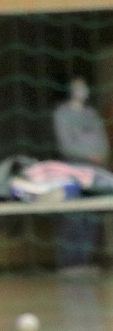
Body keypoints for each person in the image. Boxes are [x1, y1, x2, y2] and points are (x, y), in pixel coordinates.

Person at [53, 76, 108, 272]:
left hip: (94, 172)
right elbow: (66, 145)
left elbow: (102, 142)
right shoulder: (61, 113)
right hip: (73, 171)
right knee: (74, 216)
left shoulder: (91, 114)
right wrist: (89, 155)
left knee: (91, 217)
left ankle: (84, 261)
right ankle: (70, 263)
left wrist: (99, 155)